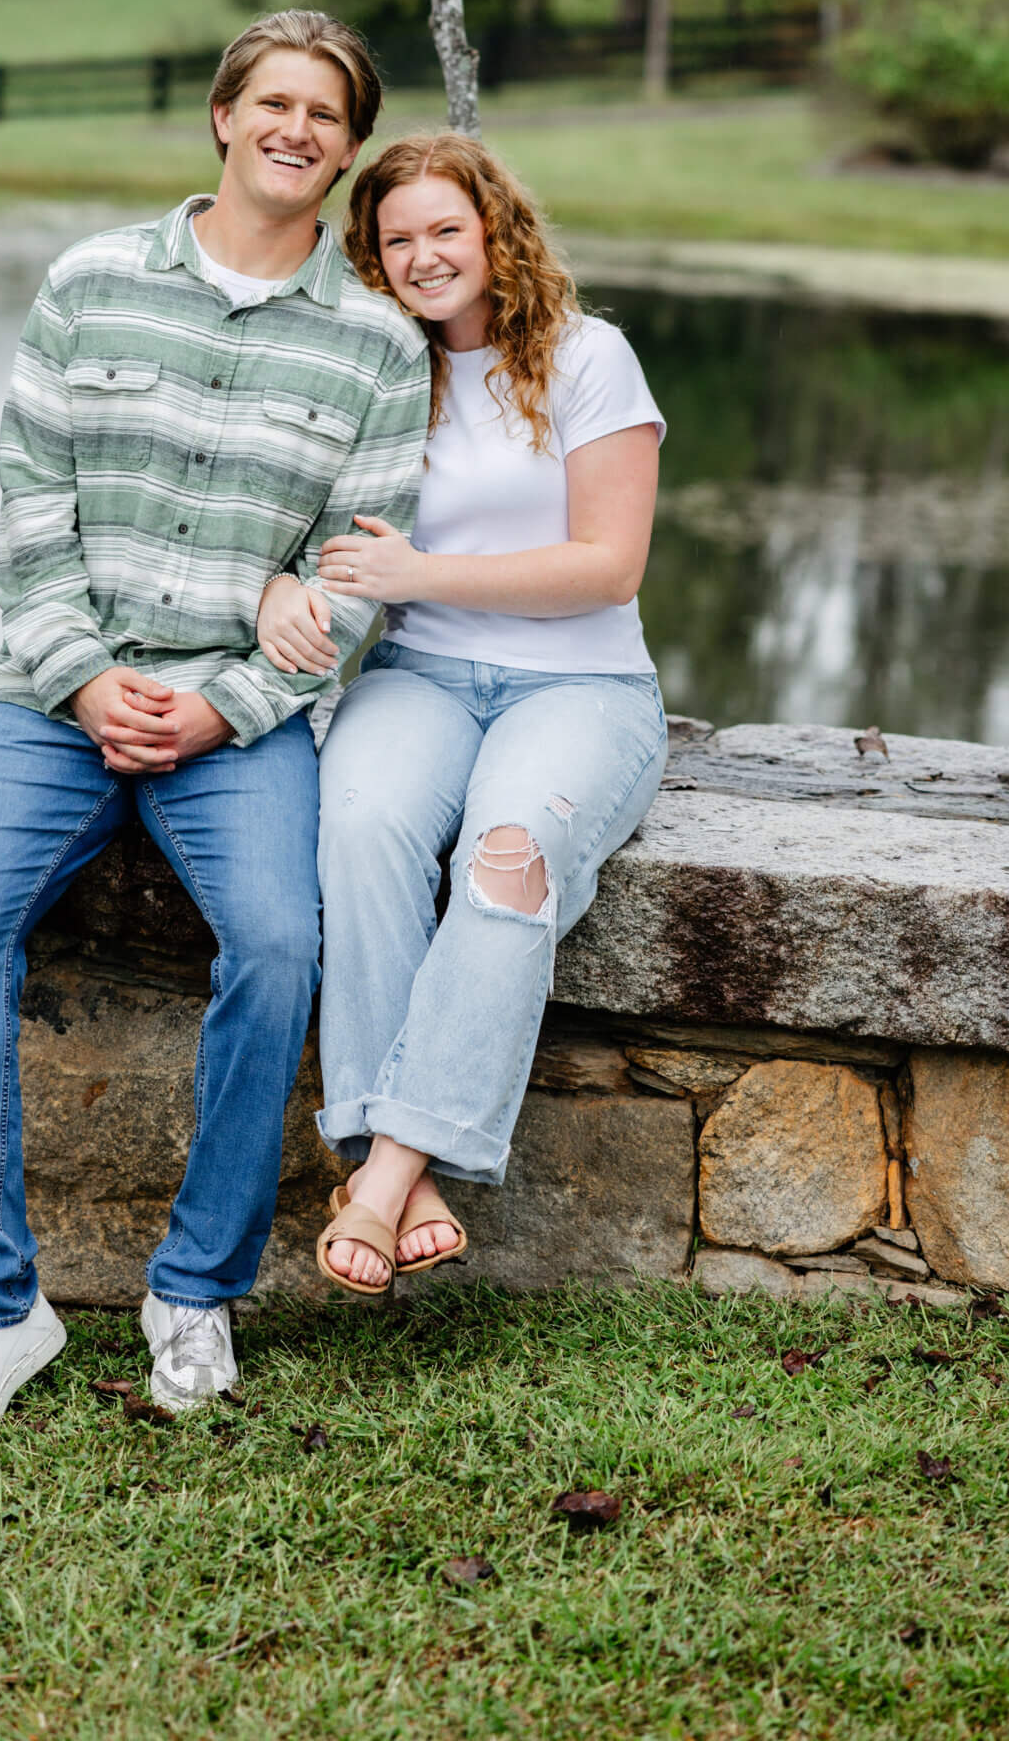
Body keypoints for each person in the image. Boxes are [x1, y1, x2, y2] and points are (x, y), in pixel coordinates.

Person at [0, 13, 429, 1439]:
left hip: (235, 727)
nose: (295, 129)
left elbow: (352, 582)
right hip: (53, 704)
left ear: (346, 145)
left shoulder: (377, 350)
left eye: (324, 113)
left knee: (274, 945)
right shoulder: (86, 284)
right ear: (220, 117)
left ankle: (191, 1291)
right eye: (272, 101)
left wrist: (221, 709)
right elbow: (29, 518)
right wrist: (79, 680)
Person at [257, 134, 667, 1292]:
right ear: (372, 260)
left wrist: (421, 575)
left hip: (581, 685)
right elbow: (285, 528)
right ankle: (411, 1171)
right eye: (399, 239)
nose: (427, 255)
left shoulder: (589, 359)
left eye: (448, 228)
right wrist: (279, 582)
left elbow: (609, 565)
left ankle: (382, 1170)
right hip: (421, 678)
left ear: (495, 231)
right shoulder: (377, 370)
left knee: (510, 854)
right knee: (364, 825)